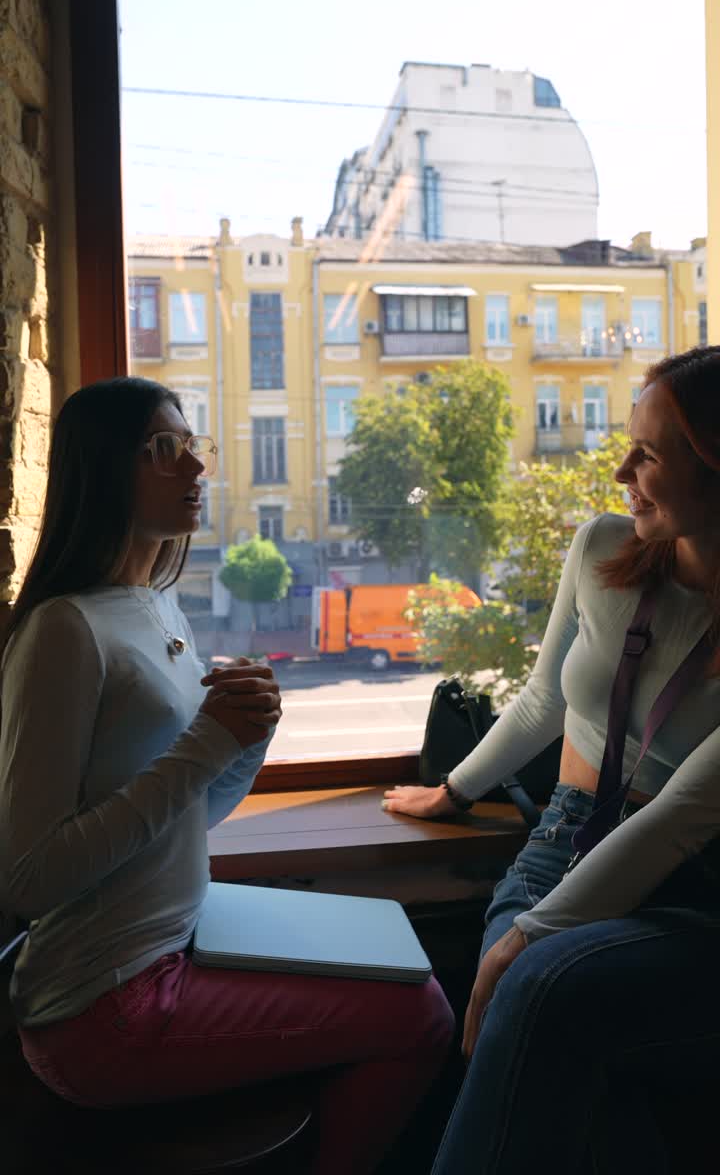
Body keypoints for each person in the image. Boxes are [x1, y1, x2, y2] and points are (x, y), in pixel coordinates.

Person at [0, 377, 454, 1175]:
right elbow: (30, 879)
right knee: (420, 1013)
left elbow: (187, 816)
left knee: (400, 953)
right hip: (103, 1005)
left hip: (178, 938)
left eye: (193, 446)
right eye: (165, 450)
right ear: (104, 468)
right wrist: (209, 745)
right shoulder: (63, 630)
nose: (196, 468)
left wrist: (249, 741)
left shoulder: (153, 605)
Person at [383, 346, 720, 1173]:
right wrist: (454, 791)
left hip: (705, 886)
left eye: (648, 454)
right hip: (566, 843)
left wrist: (533, 932)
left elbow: (683, 819)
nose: (620, 471)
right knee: (588, 1069)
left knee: (539, 992)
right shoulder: (604, 550)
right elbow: (541, 701)